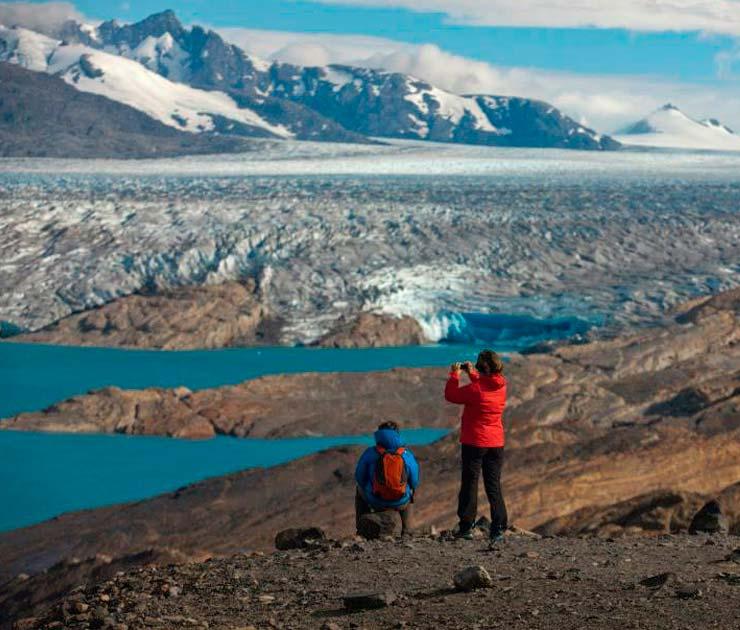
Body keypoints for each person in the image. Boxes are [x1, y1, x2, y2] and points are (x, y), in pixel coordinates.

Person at [444, 349, 508, 543]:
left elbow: (452, 395)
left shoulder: (475, 390)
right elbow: (484, 386)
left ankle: (466, 527)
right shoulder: (501, 386)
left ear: (483, 367)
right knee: (493, 485)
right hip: (496, 443)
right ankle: (498, 528)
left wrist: (455, 374)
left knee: (470, 485)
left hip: (475, 442)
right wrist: (472, 374)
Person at [354, 420, 420, 537]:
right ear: (397, 434)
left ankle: (361, 528)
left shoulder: (370, 453)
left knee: (359, 490)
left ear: (379, 434)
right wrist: (410, 488)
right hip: (400, 501)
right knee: (410, 491)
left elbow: (359, 477)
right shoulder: (405, 454)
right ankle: (407, 530)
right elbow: (414, 480)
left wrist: (370, 489)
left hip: (375, 500)